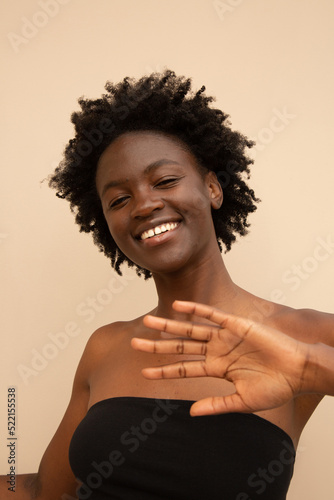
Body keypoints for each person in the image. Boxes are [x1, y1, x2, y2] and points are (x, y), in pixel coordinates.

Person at [1, 70, 333, 499]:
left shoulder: (308, 335)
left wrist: (311, 370)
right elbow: (45, 490)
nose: (144, 204)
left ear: (212, 188)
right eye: (119, 200)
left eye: (165, 181)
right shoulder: (106, 345)